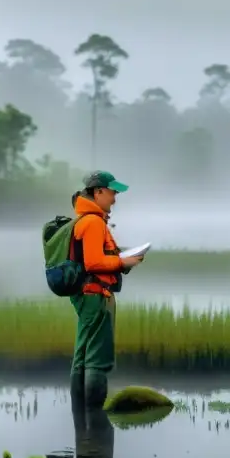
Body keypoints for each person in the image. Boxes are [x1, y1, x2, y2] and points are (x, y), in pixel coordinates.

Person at [69, 170, 144, 404]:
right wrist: (123, 262)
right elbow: (93, 263)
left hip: (89, 295)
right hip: (96, 296)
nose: (114, 198)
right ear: (98, 191)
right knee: (97, 359)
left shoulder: (89, 220)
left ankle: (82, 420)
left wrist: (122, 259)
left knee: (82, 356)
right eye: (112, 192)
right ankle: (94, 414)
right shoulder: (92, 222)